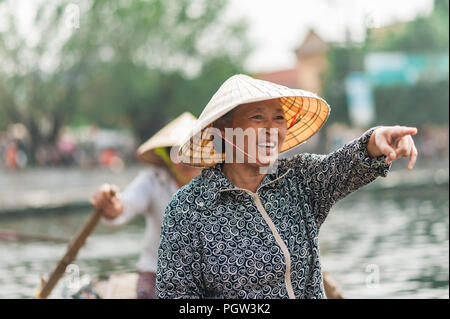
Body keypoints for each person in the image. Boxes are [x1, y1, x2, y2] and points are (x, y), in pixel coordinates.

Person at [156, 74, 418, 299]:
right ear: (222, 132)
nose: (271, 130)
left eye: (279, 118)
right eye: (258, 118)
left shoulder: (298, 179)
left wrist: (376, 140)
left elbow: (344, 165)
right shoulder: (188, 209)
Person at [90, 112, 202, 299]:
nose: (186, 158)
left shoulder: (220, 183)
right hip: (156, 270)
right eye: (178, 152)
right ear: (167, 156)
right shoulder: (152, 180)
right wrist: (111, 206)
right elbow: (125, 206)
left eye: (194, 150)